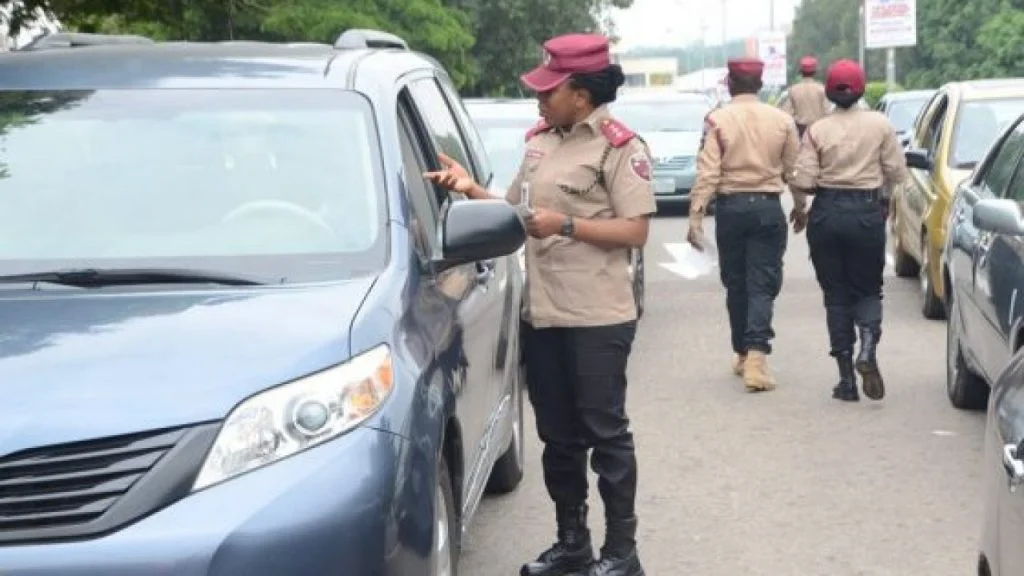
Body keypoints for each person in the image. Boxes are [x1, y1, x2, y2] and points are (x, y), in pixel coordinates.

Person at [424, 33, 656, 576]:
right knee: (558, 437)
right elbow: (514, 213)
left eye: (549, 91)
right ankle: (572, 544)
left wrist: (566, 225)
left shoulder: (620, 148)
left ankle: (621, 552)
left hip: (597, 316)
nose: (539, 100)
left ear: (582, 94)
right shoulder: (539, 144)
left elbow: (636, 231)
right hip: (543, 314)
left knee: (606, 434)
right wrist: (469, 190)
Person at [788, 59, 908, 402]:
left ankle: (846, 381)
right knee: (869, 290)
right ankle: (867, 347)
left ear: (828, 91)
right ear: (861, 89)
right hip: (867, 214)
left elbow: (805, 180)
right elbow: (897, 172)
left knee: (836, 296)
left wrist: (807, 191)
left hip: (826, 215)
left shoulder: (817, 130)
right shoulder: (880, 125)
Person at [686, 58, 800, 393]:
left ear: (729, 84)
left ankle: (742, 352)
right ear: (760, 85)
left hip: (731, 210)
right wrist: (801, 207)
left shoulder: (716, 120)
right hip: (767, 207)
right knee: (762, 284)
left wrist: (695, 217)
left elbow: (708, 173)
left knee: (736, 283)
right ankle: (756, 358)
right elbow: (793, 169)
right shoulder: (782, 120)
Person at [780, 56, 829, 138]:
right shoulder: (822, 89)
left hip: (800, 132)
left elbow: (786, 113)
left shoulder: (793, 90)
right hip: (819, 131)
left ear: (801, 72)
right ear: (815, 72)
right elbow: (827, 111)